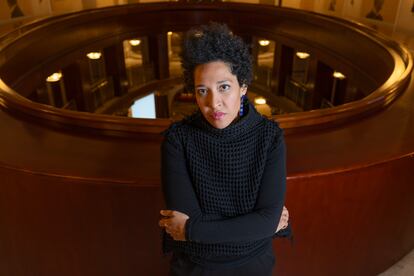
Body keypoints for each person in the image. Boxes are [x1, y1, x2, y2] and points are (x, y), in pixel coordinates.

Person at [159, 22, 289, 276]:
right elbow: (263, 225)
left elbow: (266, 221)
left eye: (224, 87)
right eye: (202, 91)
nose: (213, 103)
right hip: (196, 267)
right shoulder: (177, 139)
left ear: (243, 87)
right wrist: (256, 228)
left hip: (254, 264)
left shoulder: (270, 137)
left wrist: (191, 230)